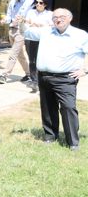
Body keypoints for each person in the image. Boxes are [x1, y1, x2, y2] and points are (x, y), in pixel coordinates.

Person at [23, 8, 85, 151]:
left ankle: (73, 142)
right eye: (55, 17)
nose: (58, 19)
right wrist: (21, 22)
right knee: (48, 107)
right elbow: (27, 32)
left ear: (70, 18)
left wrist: (85, 70)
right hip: (44, 77)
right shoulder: (46, 32)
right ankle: (50, 136)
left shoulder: (80, 35)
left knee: (68, 108)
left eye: (62, 17)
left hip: (65, 78)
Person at [0, 0, 33, 84]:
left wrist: (21, 21)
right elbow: (9, 16)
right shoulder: (12, 1)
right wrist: (5, 20)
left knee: (13, 53)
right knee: (20, 55)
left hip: (21, 31)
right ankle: (29, 74)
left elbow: (30, 19)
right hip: (11, 30)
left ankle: (4, 75)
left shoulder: (30, 3)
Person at [19, 0, 52, 94]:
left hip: (43, 39)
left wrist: (40, 25)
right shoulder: (31, 12)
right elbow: (27, 23)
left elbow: (53, 26)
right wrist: (23, 21)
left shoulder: (49, 14)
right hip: (30, 38)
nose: (38, 4)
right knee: (32, 60)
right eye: (36, 2)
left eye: (40, 3)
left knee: (41, 60)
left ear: (45, 4)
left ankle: (41, 80)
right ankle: (34, 81)